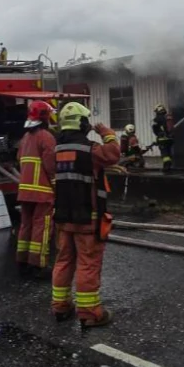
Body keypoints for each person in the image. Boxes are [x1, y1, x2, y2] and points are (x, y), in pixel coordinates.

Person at [50, 101, 121, 328]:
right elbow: (113, 154)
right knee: (87, 263)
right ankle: (90, 314)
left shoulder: (58, 149)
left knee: (63, 261)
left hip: (63, 216)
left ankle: (60, 306)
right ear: (82, 123)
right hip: (87, 217)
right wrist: (106, 133)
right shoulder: (90, 150)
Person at [14, 100, 57, 277]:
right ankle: (38, 265)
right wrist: (56, 183)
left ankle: (22, 260)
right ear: (45, 117)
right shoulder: (46, 137)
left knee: (26, 225)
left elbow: (19, 159)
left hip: (24, 191)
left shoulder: (25, 138)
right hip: (42, 191)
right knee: (42, 226)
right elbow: (51, 164)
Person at [151, 104, 175, 172]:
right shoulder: (168, 117)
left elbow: (155, 129)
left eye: (156, 111)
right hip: (170, 139)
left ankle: (166, 167)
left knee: (165, 154)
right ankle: (170, 166)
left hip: (162, 139)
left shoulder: (157, 119)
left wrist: (159, 134)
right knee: (169, 152)